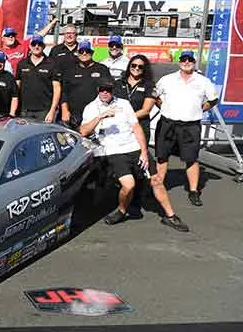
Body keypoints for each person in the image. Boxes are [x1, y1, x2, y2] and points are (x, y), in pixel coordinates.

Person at [79, 82, 154, 225]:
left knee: (155, 180)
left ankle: (169, 214)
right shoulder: (91, 107)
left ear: (113, 91)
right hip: (112, 150)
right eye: (102, 90)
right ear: (98, 90)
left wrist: (144, 151)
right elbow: (83, 131)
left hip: (132, 146)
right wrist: (101, 116)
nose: (105, 93)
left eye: (108, 90)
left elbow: (136, 127)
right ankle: (121, 210)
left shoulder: (124, 103)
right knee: (129, 185)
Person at [153, 50, 219, 208]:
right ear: (179, 61)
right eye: (184, 59)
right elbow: (154, 95)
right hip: (167, 123)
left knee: (191, 158)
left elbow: (213, 99)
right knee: (162, 157)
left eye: (190, 59)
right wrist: (163, 107)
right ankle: (157, 187)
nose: (186, 62)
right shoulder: (167, 79)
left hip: (190, 126)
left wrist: (200, 109)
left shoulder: (203, 81)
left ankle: (194, 191)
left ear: (194, 62)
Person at [115, 53, 157, 217]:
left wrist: (126, 118)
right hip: (120, 129)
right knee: (121, 162)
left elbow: (146, 110)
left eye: (140, 66)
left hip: (139, 127)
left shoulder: (149, 86)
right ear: (129, 66)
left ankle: (136, 202)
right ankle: (122, 196)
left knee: (139, 165)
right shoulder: (118, 83)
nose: (136, 68)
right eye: (133, 65)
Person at [59, 41, 113, 128]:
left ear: (92, 52)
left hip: (96, 113)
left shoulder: (102, 69)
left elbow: (110, 90)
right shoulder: (70, 70)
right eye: (81, 51)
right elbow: (64, 92)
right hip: (73, 115)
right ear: (77, 53)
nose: (84, 53)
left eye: (87, 51)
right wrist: (64, 110)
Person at [10, 35, 61, 121]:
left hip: (44, 111)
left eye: (39, 44)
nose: (36, 46)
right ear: (30, 46)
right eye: (34, 44)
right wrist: (14, 109)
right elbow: (17, 87)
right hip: (24, 110)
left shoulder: (52, 64)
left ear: (44, 46)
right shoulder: (22, 64)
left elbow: (57, 88)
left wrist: (52, 110)